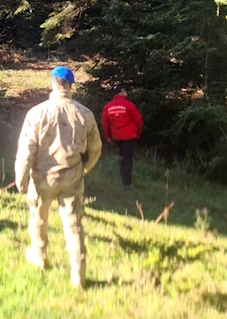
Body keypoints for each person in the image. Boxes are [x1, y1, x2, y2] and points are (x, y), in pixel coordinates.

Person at [15, 66, 102, 289]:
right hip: (72, 178)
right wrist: (85, 169)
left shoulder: (37, 113)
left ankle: (40, 257)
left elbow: (27, 150)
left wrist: (21, 176)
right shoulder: (85, 114)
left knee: (38, 218)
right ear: (71, 85)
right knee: (74, 224)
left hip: (42, 179)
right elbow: (96, 149)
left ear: (52, 83)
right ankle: (78, 273)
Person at [101, 85, 143, 190]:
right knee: (128, 159)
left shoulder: (108, 107)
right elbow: (138, 121)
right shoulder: (129, 105)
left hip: (117, 137)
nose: (127, 94)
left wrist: (108, 136)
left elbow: (105, 124)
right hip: (130, 136)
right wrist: (138, 133)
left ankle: (124, 180)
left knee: (121, 158)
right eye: (125, 92)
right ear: (120, 93)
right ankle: (127, 183)